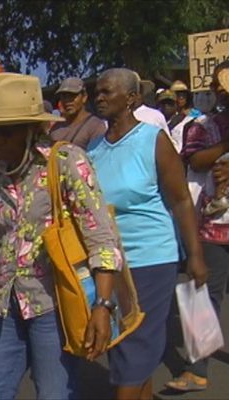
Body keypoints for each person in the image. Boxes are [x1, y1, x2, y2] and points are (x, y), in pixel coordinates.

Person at [0, 72, 123, 400]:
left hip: (54, 303)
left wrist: (102, 306)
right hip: (5, 303)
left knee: (54, 393)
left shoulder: (65, 162)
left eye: (5, 132)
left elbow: (102, 240)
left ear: (29, 129)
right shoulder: (0, 172)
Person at [87, 68, 207, 400]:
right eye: (97, 91)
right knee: (121, 344)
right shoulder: (94, 148)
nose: (99, 97)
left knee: (136, 344)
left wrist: (195, 256)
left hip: (152, 259)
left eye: (107, 92)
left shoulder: (152, 140)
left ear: (132, 99)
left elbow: (181, 200)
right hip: (110, 263)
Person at [165, 62, 229, 393]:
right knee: (203, 293)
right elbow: (196, 161)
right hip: (214, 225)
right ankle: (197, 369)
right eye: (218, 85)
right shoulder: (201, 126)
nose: (222, 91)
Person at [50, 77, 107, 149]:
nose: (68, 101)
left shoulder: (95, 126)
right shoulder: (56, 128)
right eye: (64, 96)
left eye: (72, 96)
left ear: (84, 97)